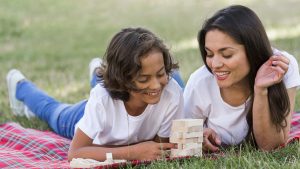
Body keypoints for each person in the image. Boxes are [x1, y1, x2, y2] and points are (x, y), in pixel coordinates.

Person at [6, 27, 185, 161]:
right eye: (144, 79)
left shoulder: (171, 92)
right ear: (122, 79)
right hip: (83, 117)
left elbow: (158, 146)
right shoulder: (102, 99)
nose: (156, 84)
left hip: (108, 111)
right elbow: (75, 153)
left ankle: (98, 72)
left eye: (161, 74)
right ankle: (20, 86)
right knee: (52, 110)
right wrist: (133, 152)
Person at [184, 5, 300, 152]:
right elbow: (183, 141)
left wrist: (261, 89)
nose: (215, 64)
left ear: (253, 49)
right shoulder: (200, 82)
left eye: (226, 55)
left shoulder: (282, 67)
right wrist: (198, 137)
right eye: (209, 54)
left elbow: (270, 146)